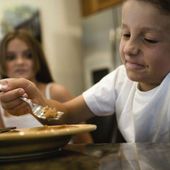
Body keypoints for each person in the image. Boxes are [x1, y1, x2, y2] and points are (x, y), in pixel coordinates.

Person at [0, 0, 170, 143]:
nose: (130, 48)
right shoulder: (120, 80)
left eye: (149, 39)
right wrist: (34, 103)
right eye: (126, 35)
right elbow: (66, 114)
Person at [0, 30, 93, 144]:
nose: (20, 62)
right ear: (3, 64)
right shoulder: (1, 104)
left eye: (28, 55)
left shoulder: (56, 92)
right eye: (11, 57)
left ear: (37, 60)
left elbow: (85, 141)